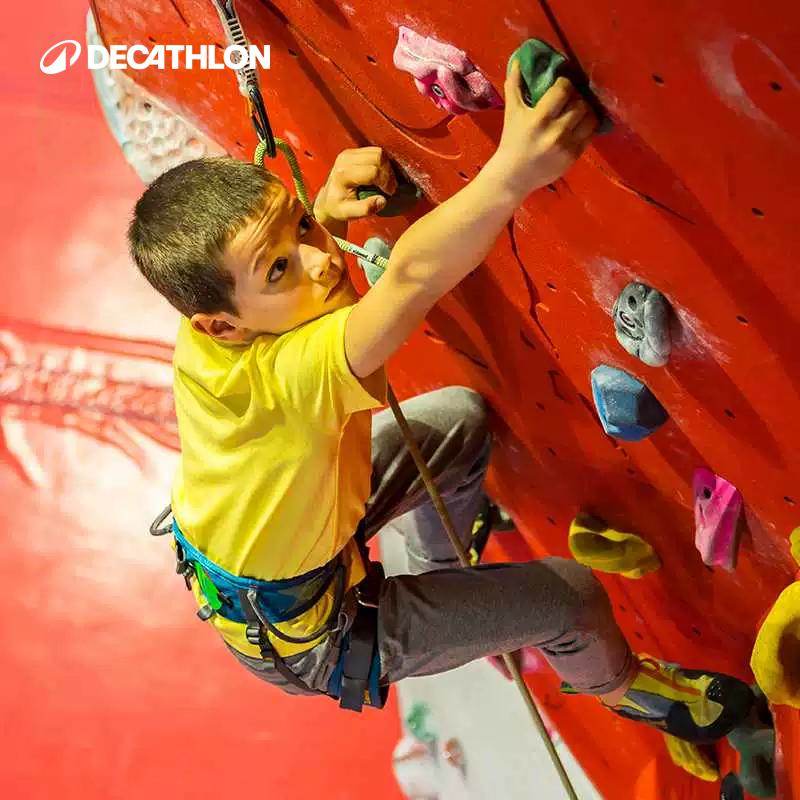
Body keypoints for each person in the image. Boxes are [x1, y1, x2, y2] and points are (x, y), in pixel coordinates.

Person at [128, 63, 753, 739]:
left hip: (277, 549)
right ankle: (633, 692)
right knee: (570, 598)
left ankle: (441, 569)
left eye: (300, 227)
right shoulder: (289, 378)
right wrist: (513, 170)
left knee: (459, 422)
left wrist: (324, 213)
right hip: (310, 637)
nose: (323, 260)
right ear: (220, 326)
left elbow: (288, 268)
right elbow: (412, 277)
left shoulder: (216, 323)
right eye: (280, 267)